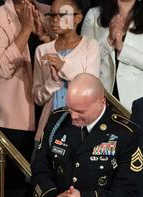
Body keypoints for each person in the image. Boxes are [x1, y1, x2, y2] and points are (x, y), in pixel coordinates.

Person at [32, 73, 143, 197]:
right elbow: (40, 167)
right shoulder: (58, 121)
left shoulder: (126, 133)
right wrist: (52, 196)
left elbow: (127, 192)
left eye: (80, 111)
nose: (73, 116)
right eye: (70, 108)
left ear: (101, 102)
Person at [0, 0, 50, 197]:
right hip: (15, 115)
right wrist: (25, 29)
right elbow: (2, 67)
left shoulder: (48, 11)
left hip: (49, 110)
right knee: (15, 190)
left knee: (44, 187)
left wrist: (44, 32)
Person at [33, 0, 100, 142]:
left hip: (81, 130)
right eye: (52, 15)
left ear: (78, 18)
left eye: (62, 15)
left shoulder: (90, 46)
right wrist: (53, 82)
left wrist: (62, 67)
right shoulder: (42, 50)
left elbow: (91, 89)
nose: (55, 20)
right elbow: (38, 98)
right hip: (49, 128)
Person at [81, 0, 143, 112]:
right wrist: (109, 40)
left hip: (137, 101)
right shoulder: (94, 14)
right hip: (101, 98)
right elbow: (83, 58)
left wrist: (122, 48)